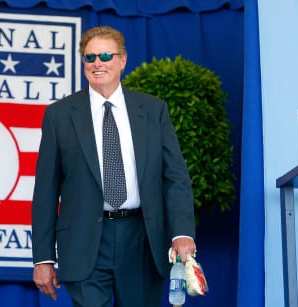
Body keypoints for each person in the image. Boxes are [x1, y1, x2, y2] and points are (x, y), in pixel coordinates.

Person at [31, 25, 196, 306]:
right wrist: (43, 258)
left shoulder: (153, 110)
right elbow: (46, 191)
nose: (98, 63)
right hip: (84, 242)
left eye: (106, 56)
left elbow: (175, 177)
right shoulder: (58, 115)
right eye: (90, 57)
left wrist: (182, 233)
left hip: (142, 238)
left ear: (122, 60)